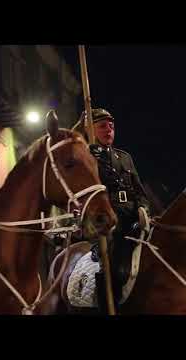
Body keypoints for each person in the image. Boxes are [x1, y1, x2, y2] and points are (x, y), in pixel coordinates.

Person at [85, 108, 151, 311]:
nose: (109, 131)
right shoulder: (88, 156)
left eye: (112, 127)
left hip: (132, 217)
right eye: (102, 126)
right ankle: (106, 307)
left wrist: (143, 208)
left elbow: (140, 190)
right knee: (114, 270)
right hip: (108, 220)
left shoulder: (125, 157)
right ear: (91, 130)